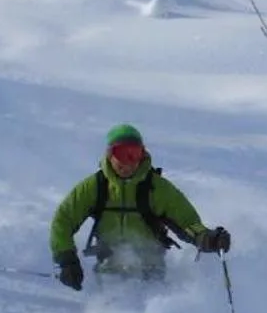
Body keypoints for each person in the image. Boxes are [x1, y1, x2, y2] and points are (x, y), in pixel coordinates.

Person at [49, 123, 230, 290]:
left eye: (134, 154)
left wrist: (207, 238)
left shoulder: (157, 188)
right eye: (121, 153)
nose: (128, 162)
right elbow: (63, 220)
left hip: (151, 277)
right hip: (107, 276)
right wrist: (67, 260)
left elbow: (187, 221)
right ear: (109, 155)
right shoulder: (95, 187)